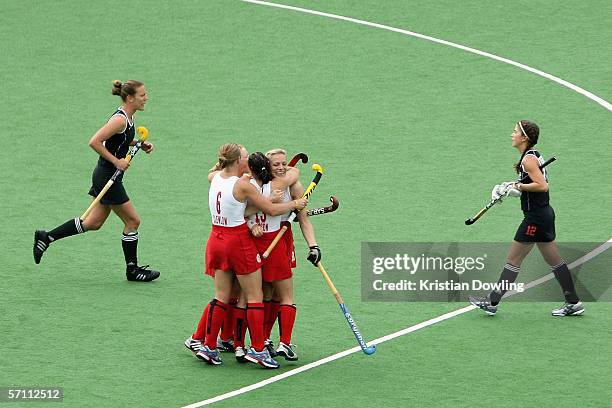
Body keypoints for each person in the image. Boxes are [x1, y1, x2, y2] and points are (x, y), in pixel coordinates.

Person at [33, 80, 160, 282]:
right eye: (142, 95)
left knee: (93, 222)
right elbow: (94, 141)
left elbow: (118, 140)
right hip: (107, 176)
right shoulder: (119, 120)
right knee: (133, 221)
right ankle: (132, 270)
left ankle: (46, 237)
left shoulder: (129, 117)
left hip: (107, 174)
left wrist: (138, 144)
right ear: (130, 98)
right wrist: (116, 161)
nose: (146, 98)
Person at [193, 143, 307, 368]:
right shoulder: (243, 185)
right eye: (245, 158)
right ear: (237, 161)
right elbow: (272, 210)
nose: (249, 161)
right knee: (254, 296)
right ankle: (257, 350)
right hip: (237, 242)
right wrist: (296, 203)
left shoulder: (215, 177)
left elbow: (219, 178)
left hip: (216, 239)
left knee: (221, 295)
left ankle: (208, 345)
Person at [469, 120, 583, 316]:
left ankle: (492, 302)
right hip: (544, 215)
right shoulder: (533, 155)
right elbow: (532, 183)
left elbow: (542, 185)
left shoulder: (527, 160)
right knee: (555, 260)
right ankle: (573, 302)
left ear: (524, 138)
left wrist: (518, 187)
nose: (511, 135)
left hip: (535, 219)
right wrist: (510, 186)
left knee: (513, 259)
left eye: (515, 132)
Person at [258, 148, 321, 360]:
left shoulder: (293, 185)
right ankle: (282, 342)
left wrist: (314, 246)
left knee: (272, 294)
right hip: (270, 242)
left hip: (283, 240)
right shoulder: (262, 186)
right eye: (276, 164)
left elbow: (303, 219)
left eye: (284, 163)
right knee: (279, 294)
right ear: (267, 166)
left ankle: (265, 341)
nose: (282, 167)